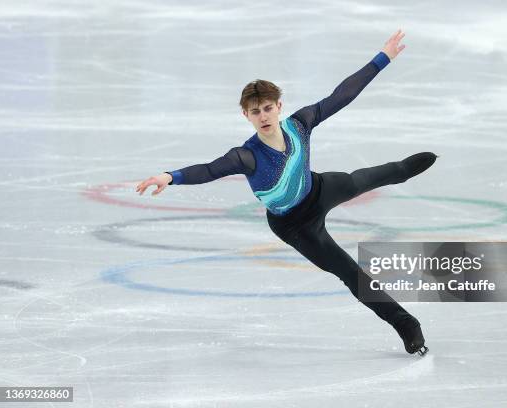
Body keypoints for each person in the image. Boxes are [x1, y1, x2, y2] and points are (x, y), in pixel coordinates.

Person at [136, 29, 436, 356]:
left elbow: (341, 96)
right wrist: (170, 176)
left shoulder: (300, 124)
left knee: (361, 179)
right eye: (255, 111)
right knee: (350, 272)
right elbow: (209, 169)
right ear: (246, 115)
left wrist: (382, 59)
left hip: (318, 189)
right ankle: (407, 325)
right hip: (294, 225)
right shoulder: (246, 156)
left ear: (279, 106)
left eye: (267, 108)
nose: (263, 116)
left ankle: (405, 169)